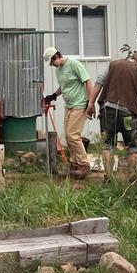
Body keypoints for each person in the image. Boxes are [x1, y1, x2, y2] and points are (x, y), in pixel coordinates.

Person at [86, 50, 137, 173]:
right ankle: (132, 179)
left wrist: (91, 103)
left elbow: (99, 81)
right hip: (128, 115)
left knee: (107, 144)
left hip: (108, 111)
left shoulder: (115, 64)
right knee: (133, 147)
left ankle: (109, 178)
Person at [43, 46, 93, 178]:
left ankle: (84, 164)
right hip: (69, 105)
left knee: (73, 135)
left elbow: (87, 81)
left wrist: (90, 102)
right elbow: (64, 86)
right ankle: (75, 164)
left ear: (56, 57)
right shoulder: (59, 71)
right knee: (68, 136)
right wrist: (54, 95)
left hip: (79, 104)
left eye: (52, 62)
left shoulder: (74, 65)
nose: (52, 65)